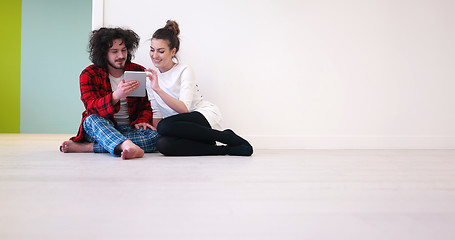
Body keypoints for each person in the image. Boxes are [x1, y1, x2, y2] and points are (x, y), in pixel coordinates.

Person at [146, 20, 253, 156]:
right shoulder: (151, 78)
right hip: (176, 127)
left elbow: (184, 109)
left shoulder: (184, 70)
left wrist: (158, 90)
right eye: (152, 49)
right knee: (163, 144)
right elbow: (157, 114)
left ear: (173, 52)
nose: (154, 55)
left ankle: (225, 137)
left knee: (164, 126)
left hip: (201, 117)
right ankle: (226, 150)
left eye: (160, 51)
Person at [60, 27, 159, 159]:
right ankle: (126, 145)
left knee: (155, 138)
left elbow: (146, 105)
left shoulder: (138, 71)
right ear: (103, 53)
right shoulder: (89, 74)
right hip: (101, 127)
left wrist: (143, 121)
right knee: (90, 120)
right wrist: (116, 95)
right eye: (114, 51)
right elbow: (91, 107)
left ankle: (89, 147)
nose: (121, 56)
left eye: (124, 50)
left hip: (130, 129)